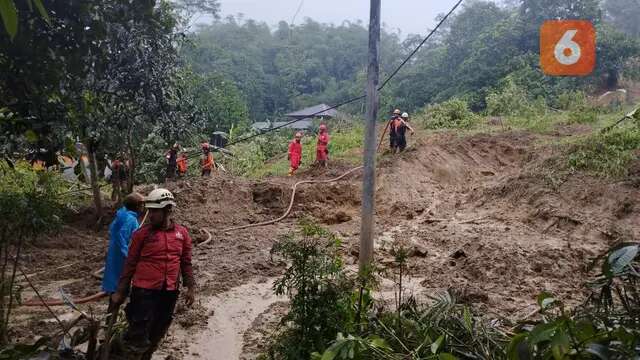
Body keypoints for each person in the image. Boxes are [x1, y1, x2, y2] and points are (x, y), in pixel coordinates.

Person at [110, 188, 196, 360]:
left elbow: (186, 262)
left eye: (156, 211)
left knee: (159, 329)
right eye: (150, 211)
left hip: (169, 291)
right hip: (144, 292)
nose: (151, 215)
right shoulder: (141, 235)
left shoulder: (182, 234)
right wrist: (120, 291)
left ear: (168, 210)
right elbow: (130, 264)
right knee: (138, 333)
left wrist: (190, 287)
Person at [102, 193, 145, 296]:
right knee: (119, 287)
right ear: (137, 206)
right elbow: (123, 238)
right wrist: (128, 255)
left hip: (115, 254)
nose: (144, 208)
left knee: (115, 284)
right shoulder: (130, 220)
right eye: (142, 205)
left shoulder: (122, 216)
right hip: (122, 257)